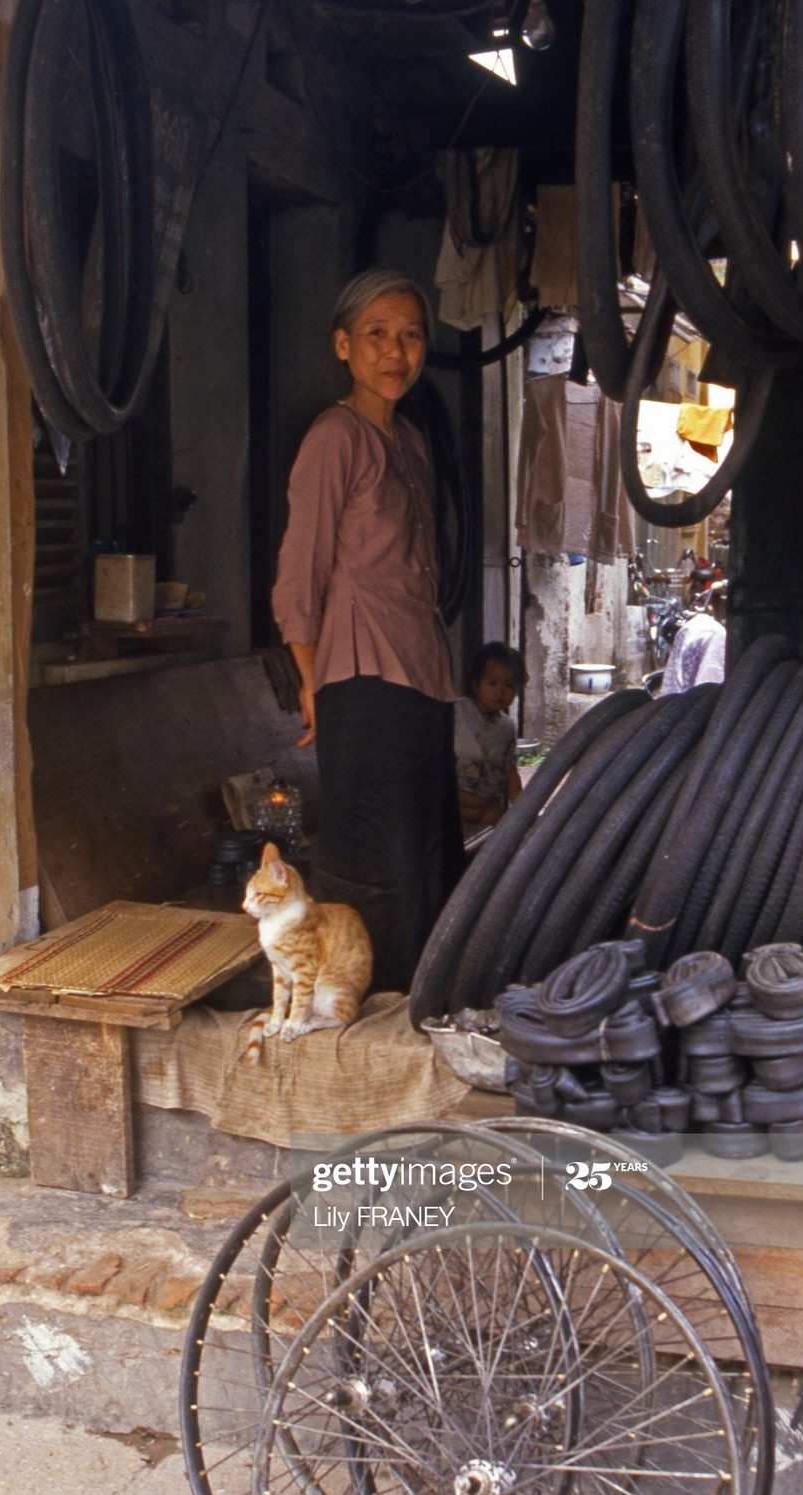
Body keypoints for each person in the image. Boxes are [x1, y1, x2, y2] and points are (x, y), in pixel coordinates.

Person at [270, 269, 464, 995]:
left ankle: (419, 1007)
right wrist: (312, 679)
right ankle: (365, 1011)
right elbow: (301, 570)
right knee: (377, 863)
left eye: (411, 335)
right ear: (343, 346)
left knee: (423, 856)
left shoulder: (409, 440)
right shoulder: (334, 437)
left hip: (420, 675)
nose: (396, 351)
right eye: (377, 334)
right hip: (361, 675)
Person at [454, 641, 525, 832]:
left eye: (509, 685)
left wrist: (523, 810)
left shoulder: (507, 726)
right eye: (492, 683)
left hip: (488, 808)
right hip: (454, 805)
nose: (500, 691)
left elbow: (510, 772)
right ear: (476, 684)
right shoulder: (458, 710)